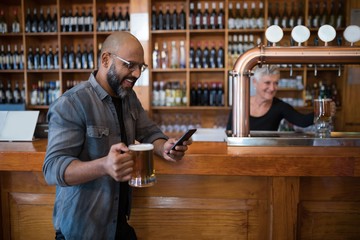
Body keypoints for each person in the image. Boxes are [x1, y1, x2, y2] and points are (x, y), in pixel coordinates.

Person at [43, 32, 192, 240]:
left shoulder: (128, 98)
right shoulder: (72, 103)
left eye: (141, 66)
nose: (137, 73)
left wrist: (165, 148)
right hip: (82, 231)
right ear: (106, 59)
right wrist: (104, 165)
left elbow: (149, 133)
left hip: (118, 225)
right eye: (130, 65)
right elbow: (52, 169)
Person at [226, 64, 336, 131]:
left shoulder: (280, 106)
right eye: (267, 83)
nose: (272, 88)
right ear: (255, 82)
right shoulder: (240, 104)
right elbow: (229, 131)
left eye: (276, 83)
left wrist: (323, 111)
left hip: (267, 155)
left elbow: (302, 121)